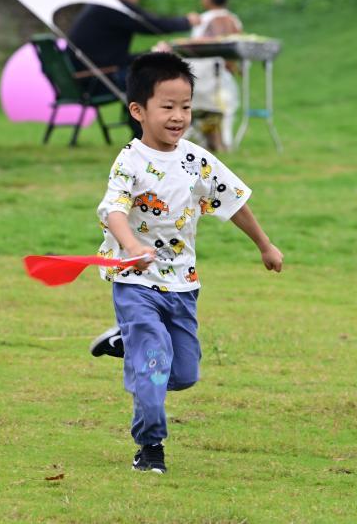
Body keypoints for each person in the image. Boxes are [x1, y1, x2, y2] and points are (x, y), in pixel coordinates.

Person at [89, 53, 283, 474]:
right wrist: (131, 246)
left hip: (183, 283)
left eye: (186, 106)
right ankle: (150, 448)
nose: (178, 116)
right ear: (138, 111)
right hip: (136, 281)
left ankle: (125, 345)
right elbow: (114, 211)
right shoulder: (129, 161)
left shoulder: (195, 159)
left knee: (183, 373)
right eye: (167, 106)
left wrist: (265, 245)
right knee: (153, 369)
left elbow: (234, 202)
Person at [67, 0, 200, 100]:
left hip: (89, 79)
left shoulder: (98, 5)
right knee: (167, 71)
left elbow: (113, 58)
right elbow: (152, 25)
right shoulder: (115, 6)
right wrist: (187, 21)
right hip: (101, 81)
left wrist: (152, 53)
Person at [186, 0, 243, 151]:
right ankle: (224, 140)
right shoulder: (234, 20)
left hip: (201, 77)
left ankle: (200, 137)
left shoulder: (203, 20)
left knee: (200, 106)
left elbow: (194, 49)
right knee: (226, 105)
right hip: (223, 80)